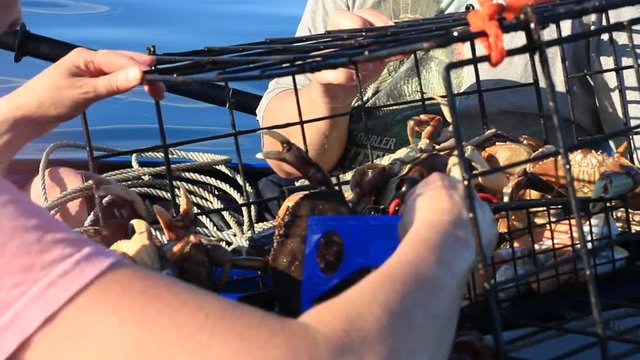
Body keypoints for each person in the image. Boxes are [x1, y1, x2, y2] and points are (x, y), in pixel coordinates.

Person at [0, 1, 499, 359]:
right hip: (420, 242)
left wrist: (12, 120)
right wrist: (447, 238)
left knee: (60, 184)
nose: (20, 13)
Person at [257, 0, 640, 179]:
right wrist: (329, 95)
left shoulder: (605, 12)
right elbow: (283, 160)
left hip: (510, 232)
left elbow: (631, 167)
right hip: (337, 215)